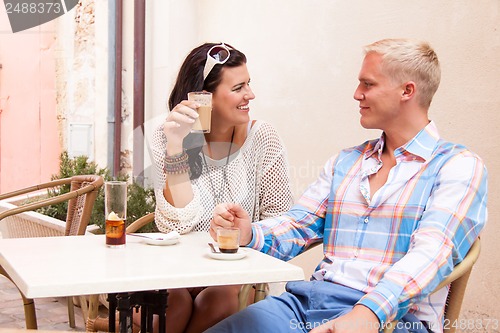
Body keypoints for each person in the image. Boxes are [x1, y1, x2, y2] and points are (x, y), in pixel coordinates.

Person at [208, 38, 488, 333]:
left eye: (368, 84)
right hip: (306, 304)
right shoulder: (346, 162)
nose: (357, 94)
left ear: (407, 91)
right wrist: (248, 232)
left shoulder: (459, 166)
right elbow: (298, 225)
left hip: (394, 319)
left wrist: (368, 313)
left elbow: (433, 255)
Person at [148, 42, 294, 333]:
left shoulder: (263, 137)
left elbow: (280, 222)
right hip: (180, 268)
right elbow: (175, 224)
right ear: (203, 97)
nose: (250, 95)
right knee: (173, 303)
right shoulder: (168, 134)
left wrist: (243, 230)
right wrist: (178, 145)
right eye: (239, 87)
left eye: (248, 84)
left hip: (236, 272)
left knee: (221, 298)